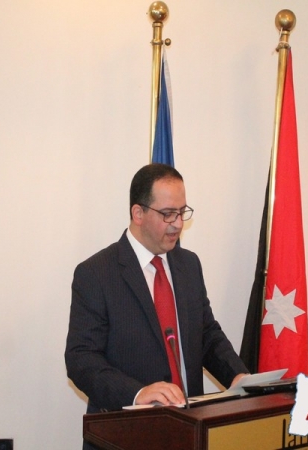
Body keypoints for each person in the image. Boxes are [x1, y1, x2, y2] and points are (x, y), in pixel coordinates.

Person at [65, 163, 249, 449]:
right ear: (138, 213)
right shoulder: (96, 273)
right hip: (126, 436)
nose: (178, 223)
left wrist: (237, 376)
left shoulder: (189, 265)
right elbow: (81, 359)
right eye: (168, 214)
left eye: (182, 212)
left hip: (190, 431)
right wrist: (138, 393)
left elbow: (206, 334)